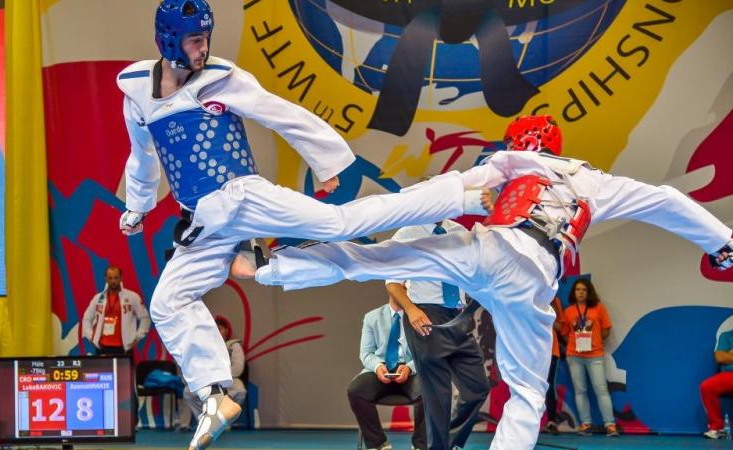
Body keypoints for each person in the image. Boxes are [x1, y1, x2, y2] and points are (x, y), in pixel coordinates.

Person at [247, 115, 733, 449]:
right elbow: (666, 199)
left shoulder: (506, 163)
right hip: (534, 277)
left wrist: (346, 221)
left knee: (380, 254)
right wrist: (722, 243)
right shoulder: (594, 179)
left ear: (517, 143)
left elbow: (446, 195)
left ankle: (276, 265)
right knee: (525, 393)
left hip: (489, 250)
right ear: (555, 148)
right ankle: (301, 252)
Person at [116, 2, 476, 448]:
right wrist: (137, 207)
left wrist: (326, 161)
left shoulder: (221, 79)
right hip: (206, 221)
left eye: (206, 37)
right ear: (169, 41)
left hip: (241, 195)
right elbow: (142, 155)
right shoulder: (138, 92)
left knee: (339, 223)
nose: (204, 47)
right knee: (168, 302)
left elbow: (281, 113)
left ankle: (453, 194)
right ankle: (216, 391)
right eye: (195, 40)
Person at [386, 220, 489, 450]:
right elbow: (392, 283)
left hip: (458, 317)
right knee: (438, 395)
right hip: (424, 313)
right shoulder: (408, 232)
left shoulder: (459, 232)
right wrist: (411, 310)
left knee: (477, 389)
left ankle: (446, 443)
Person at [348, 298, 426, 450]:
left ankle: (421, 445)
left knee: (429, 389)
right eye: (398, 284)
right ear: (390, 287)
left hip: (412, 371)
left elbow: (425, 353)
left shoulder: (419, 316)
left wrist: (409, 368)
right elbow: (366, 353)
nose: (403, 286)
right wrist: (377, 367)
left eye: (406, 283)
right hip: (380, 370)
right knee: (356, 390)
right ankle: (378, 444)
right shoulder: (372, 317)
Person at [559, 280, 617, 436]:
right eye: (578, 289)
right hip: (574, 356)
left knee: (601, 390)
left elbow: (606, 330)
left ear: (589, 291)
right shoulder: (569, 311)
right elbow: (564, 333)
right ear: (574, 292)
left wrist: (594, 341)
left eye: (584, 289)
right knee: (580, 391)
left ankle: (610, 425)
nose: (581, 292)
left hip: (595, 355)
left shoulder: (598, 308)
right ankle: (586, 424)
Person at [179, 315, 248, 430]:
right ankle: (204, 421)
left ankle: (224, 420)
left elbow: (238, 369)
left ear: (226, 330)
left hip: (228, 380)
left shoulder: (233, 346)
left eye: (220, 328)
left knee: (240, 390)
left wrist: (220, 378)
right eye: (214, 328)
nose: (217, 331)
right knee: (188, 391)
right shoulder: (204, 346)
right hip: (209, 381)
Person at [82, 266, 151, 355]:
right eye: (110, 278)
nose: (113, 281)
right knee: (103, 369)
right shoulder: (98, 298)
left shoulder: (132, 297)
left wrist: (137, 337)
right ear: (105, 279)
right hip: (102, 346)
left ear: (121, 278)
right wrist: (91, 337)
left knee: (126, 369)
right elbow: (86, 318)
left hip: (124, 347)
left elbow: (145, 318)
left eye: (116, 278)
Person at [700, 322, 733, 439]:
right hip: (730, 375)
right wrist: (726, 356)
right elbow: (720, 357)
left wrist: (729, 355)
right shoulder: (726, 336)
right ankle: (716, 428)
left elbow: (725, 357)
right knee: (707, 386)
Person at [544, 297, 564, 435]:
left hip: (551, 350)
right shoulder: (527, 292)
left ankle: (551, 421)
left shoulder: (555, 300)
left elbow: (560, 327)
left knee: (549, 385)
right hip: (530, 350)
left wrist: (550, 312)